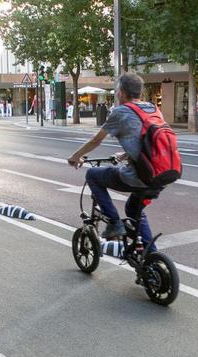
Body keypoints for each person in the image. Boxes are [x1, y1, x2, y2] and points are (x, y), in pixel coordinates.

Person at [66, 73, 172, 248]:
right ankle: (151, 258)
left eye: (116, 91)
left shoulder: (121, 111)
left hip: (139, 176)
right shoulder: (153, 108)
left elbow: (96, 140)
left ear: (121, 92)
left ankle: (115, 223)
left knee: (92, 175)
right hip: (161, 175)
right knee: (134, 210)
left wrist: (75, 157)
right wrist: (125, 154)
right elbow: (149, 141)